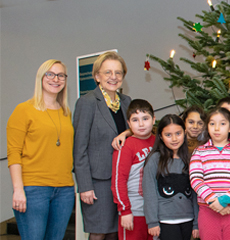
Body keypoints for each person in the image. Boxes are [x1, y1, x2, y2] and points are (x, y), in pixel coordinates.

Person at [7, 59, 75, 240]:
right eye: (50, 74)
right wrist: (18, 189)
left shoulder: (66, 112)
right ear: (41, 78)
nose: (56, 79)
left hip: (64, 190)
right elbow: (14, 153)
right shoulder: (24, 110)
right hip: (34, 189)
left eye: (61, 75)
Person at [74, 51, 132, 239]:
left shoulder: (126, 102)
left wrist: (126, 132)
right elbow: (79, 148)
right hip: (98, 182)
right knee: (99, 233)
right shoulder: (87, 102)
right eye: (108, 72)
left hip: (123, 179)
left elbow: (138, 131)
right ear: (97, 76)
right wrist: (84, 186)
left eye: (118, 73)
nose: (113, 77)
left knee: (116, 232)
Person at [190, 107, 230, 240]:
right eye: (212, 124)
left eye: (222, 124)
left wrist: (225, 200)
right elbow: (196, 180)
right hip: (208, 210)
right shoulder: (199, 152)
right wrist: (214, 202)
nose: (217, 128)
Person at [143, 114, 200, 240]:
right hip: (165, 221)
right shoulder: (154, 160)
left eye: (178, 133)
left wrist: (196, 223)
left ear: (184, 133)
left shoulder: (190, 159)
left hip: (188, 219)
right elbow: (149, 193)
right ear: (161, 137)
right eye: (168, 135)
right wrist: (152, 222)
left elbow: (195, 193)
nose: (174, 139)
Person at [111, 99, 156, 240]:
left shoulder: (159, 142)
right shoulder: (125, 146)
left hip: (155, 212)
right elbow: (118, 181)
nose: (141, 124)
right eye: (135, 120)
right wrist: (125, 211)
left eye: (145, 118)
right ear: (129, 124)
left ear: (154, 120)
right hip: (133, 212)